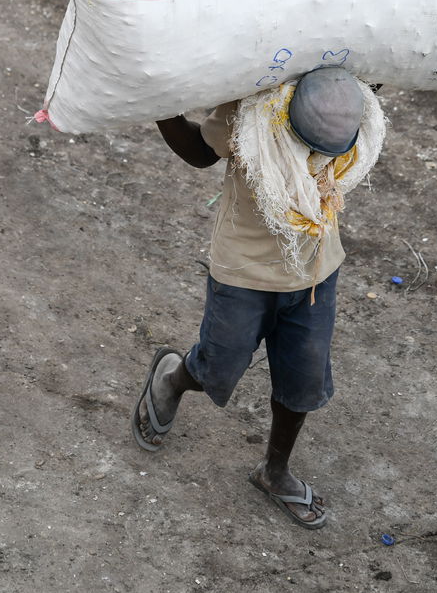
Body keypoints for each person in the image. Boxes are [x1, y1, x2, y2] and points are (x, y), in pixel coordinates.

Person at [131, 65, 385, 529]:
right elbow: (200, 152)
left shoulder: (350, 99)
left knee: (303, 382)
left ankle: (275, 470)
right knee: (218, 367)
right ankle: (172, 378)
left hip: (315, 271)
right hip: (243, 272)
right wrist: (161, 106)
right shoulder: (250, 107)